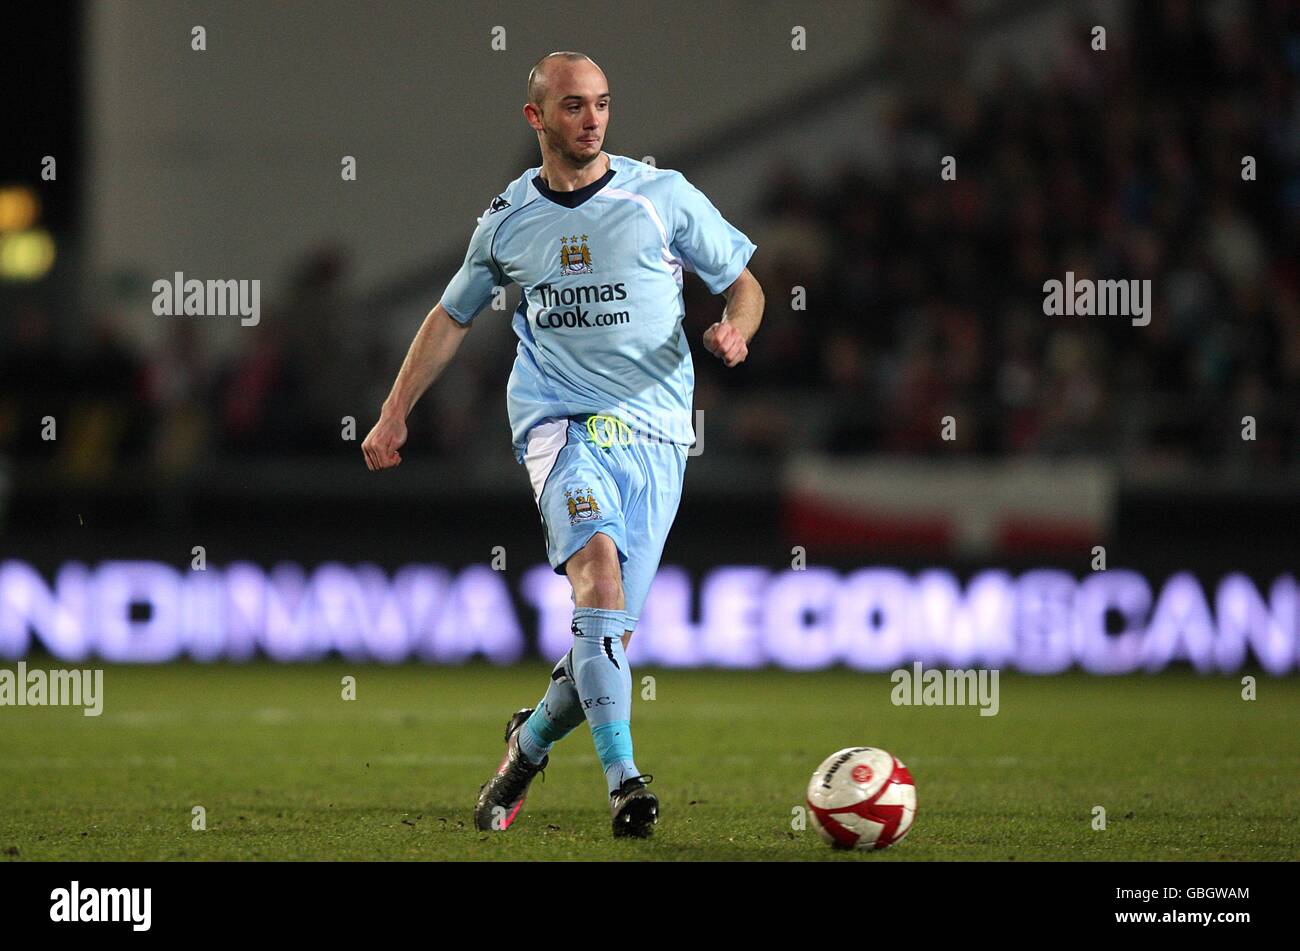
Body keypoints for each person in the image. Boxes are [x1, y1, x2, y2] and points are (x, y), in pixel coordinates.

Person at [362, 51, 764, 838]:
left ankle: (529, 742)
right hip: (561, 424)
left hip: (656, 433)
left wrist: (735, 329)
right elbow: (451, 316)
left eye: (603, 104)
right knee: (598, 578)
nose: (593, 120)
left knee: (604, 632)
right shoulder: (509, 220)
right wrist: (393, 410)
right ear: (536, 117)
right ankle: (626, 784)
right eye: (575, 106)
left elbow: (745, 280)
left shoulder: (662, 197)